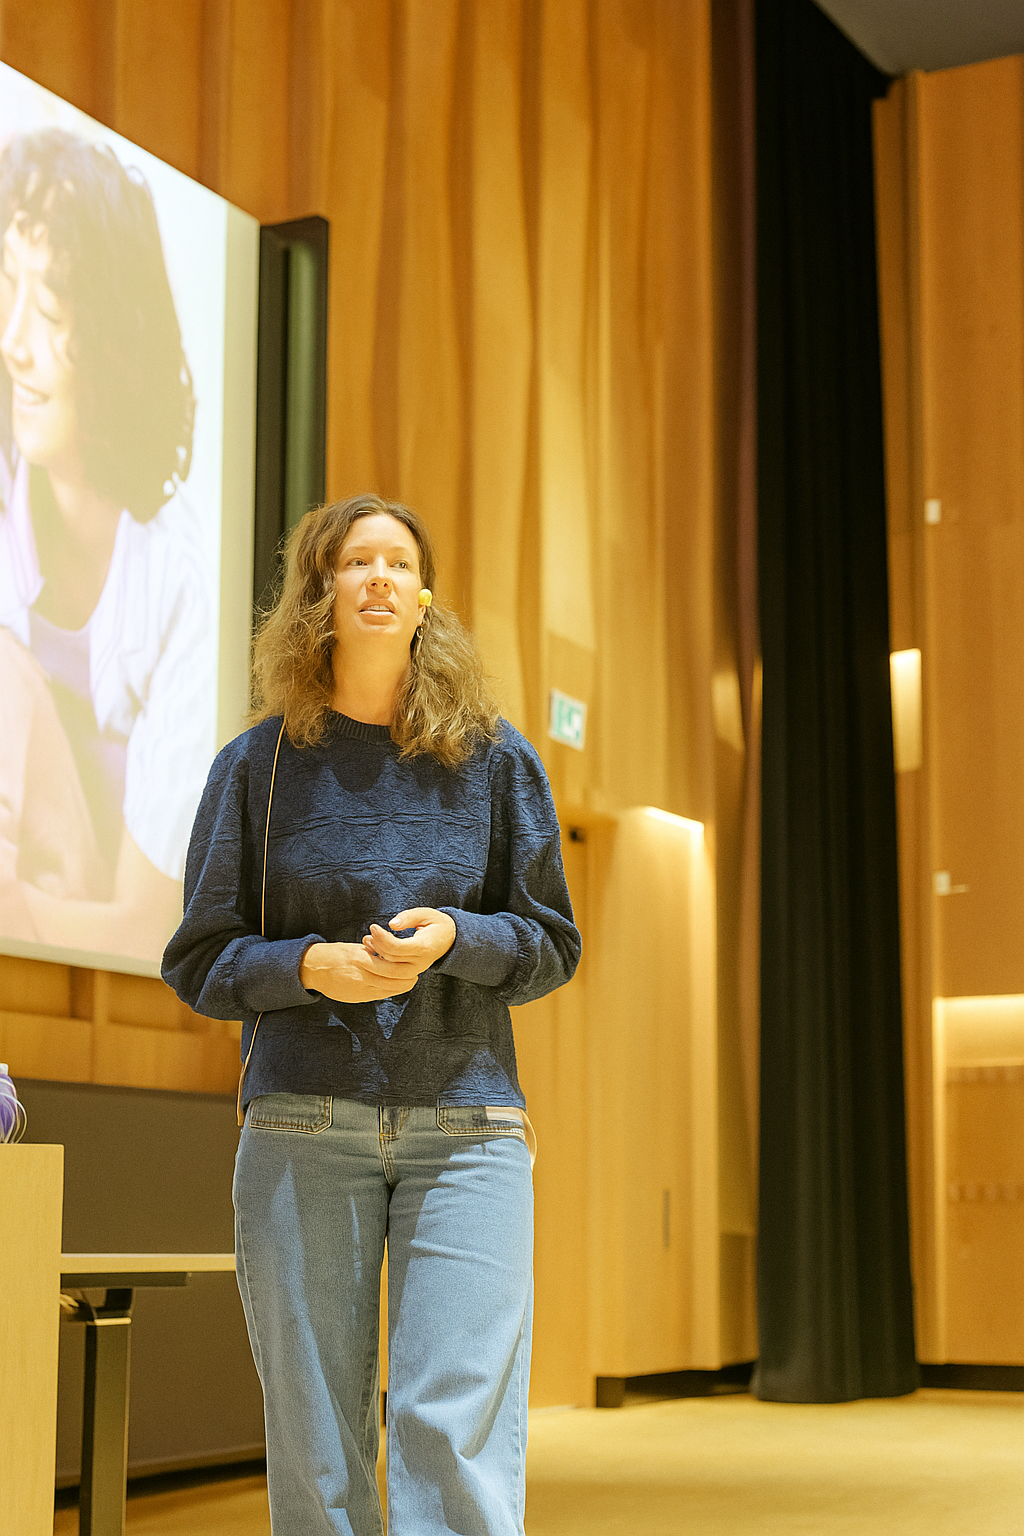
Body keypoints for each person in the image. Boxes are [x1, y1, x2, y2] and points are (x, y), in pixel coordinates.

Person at [162, 494, 581, 1536]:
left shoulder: (496, 761)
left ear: (424, 596)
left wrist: (456, 938)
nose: (380, 578)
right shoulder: (256, 767)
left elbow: (551, 944)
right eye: (356, 562)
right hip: (302, 1124)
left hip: (468, 1130)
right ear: (321, 592)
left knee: (451, 1434)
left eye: (399, 562)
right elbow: (199, 960)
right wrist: (309, 965)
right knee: (318, 1450)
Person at [0, 127, 209, 961]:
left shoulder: (179, 582)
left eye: (51, 310)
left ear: (114, 341)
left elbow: (147, 929)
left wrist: (15, 909)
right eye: (6, 286)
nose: (15, 341)